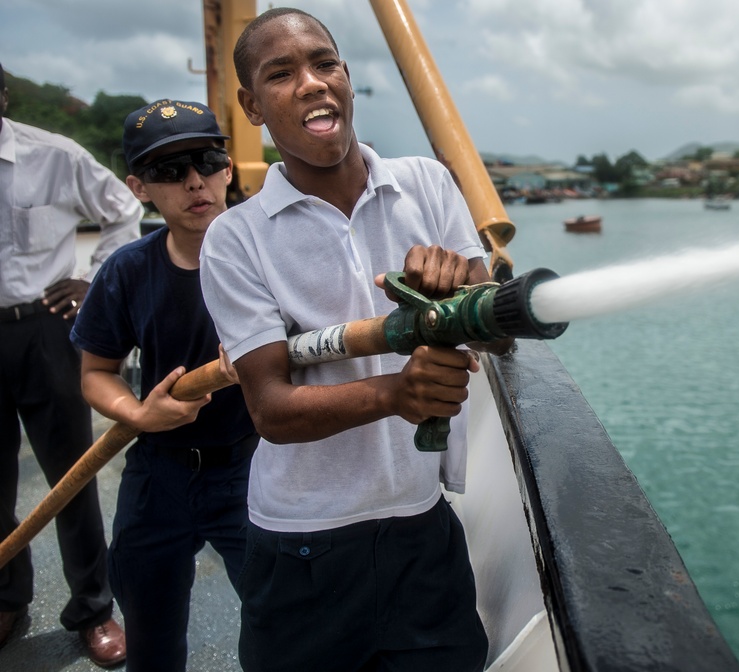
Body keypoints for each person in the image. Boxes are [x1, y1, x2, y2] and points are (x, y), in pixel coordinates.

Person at [199, 8, 491, 672]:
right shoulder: (236, 238)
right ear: (251, 106)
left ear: (348, 78)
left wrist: (460, 294)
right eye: (281, 74)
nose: (311, 83)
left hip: (424, 527)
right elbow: (269, 408)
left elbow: (494, 329)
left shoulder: (426, 183)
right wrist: (397, 392)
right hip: (305, 546)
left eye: (324, 63)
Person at [70, 99, 258, 672]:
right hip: (159, 474)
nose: (194, 180)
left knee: (282, 620)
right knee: (150, 636)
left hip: (256, 467)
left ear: (228, 168)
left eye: (205, 159)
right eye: (168, 171)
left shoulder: (268, 256)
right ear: (138, 187)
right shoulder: (128, 271)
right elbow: (97, 374)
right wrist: (138, 414)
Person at [0, 61, 137, 667]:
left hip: (43, 330)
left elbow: (123, 210)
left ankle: (92, 607)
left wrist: (90, 277)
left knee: (71, 474)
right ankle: (8, 597)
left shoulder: (51, 155)